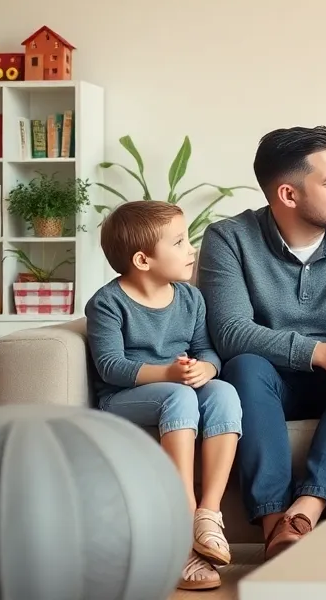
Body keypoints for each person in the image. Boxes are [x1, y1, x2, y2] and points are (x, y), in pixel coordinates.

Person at [200, 126, 326, 560]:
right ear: (288, 195)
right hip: (270, 381)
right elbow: (231, 331)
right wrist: (318, 352)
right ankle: (275, 525)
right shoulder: (228, 239)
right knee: (244, 365)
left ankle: (304, 513)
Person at [86, 201, 242, 591]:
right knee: (180, 397)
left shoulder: (190, 299)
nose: (191, 249)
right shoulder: (108, 303)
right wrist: (169, 374)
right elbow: (110, 366)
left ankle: (208, 514)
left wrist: (206, 369)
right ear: (143, 260)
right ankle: (182, 525)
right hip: (124, 399)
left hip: (177, 388)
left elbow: (206, 351)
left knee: (223, 392)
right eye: (179, 242)